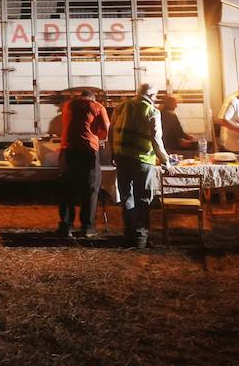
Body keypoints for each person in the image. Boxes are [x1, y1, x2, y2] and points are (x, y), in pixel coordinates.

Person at [110, 84, 171, 248]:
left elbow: (112, 130)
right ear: (151, 95)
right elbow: (156, 139)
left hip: (122, 157)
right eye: (155, 95)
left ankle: (128, 234)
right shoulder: (152, 111)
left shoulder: (122, 107)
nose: (156, 99)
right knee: (142, 198)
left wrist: (113, 153)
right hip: (143, 160)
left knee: (127, 196)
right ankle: (140, 238)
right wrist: (165, 160)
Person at [57, 89, 109, 239]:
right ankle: (87, 228)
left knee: (67, 189)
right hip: (88, 152)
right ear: (92, 98)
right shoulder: (97, 107)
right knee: (91, 188)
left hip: (68, 151)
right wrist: (97, 134)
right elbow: (106, 130)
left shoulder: (68, 105)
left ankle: (66, 227)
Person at [158, 93, 198, 158]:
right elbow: (179, 133)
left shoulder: (159, 113)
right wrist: (191, 138)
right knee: (196, 146)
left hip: (162, 145)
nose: (176, 106)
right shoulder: (171, 115)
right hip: (172, 146)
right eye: (175, 103)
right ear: (170, 103)